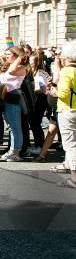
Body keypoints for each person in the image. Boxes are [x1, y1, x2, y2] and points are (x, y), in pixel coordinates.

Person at [0, 46, 29, 161]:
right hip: (5, 98)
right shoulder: (11, 65)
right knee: (10, 127)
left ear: (16, 56)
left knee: (16, 128)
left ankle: (16, 152)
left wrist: (20, 57)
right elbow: (6, 79)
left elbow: (11, 72)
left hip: (13, 99)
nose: (6, 56)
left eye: (8, 54)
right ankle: (12, 150)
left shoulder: (21, 67)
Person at [55, 41, 76, 187]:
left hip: (67, 110)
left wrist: (51, 91)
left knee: (70, 145)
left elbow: (62, 94)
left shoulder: (67, 71)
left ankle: (74, 179)